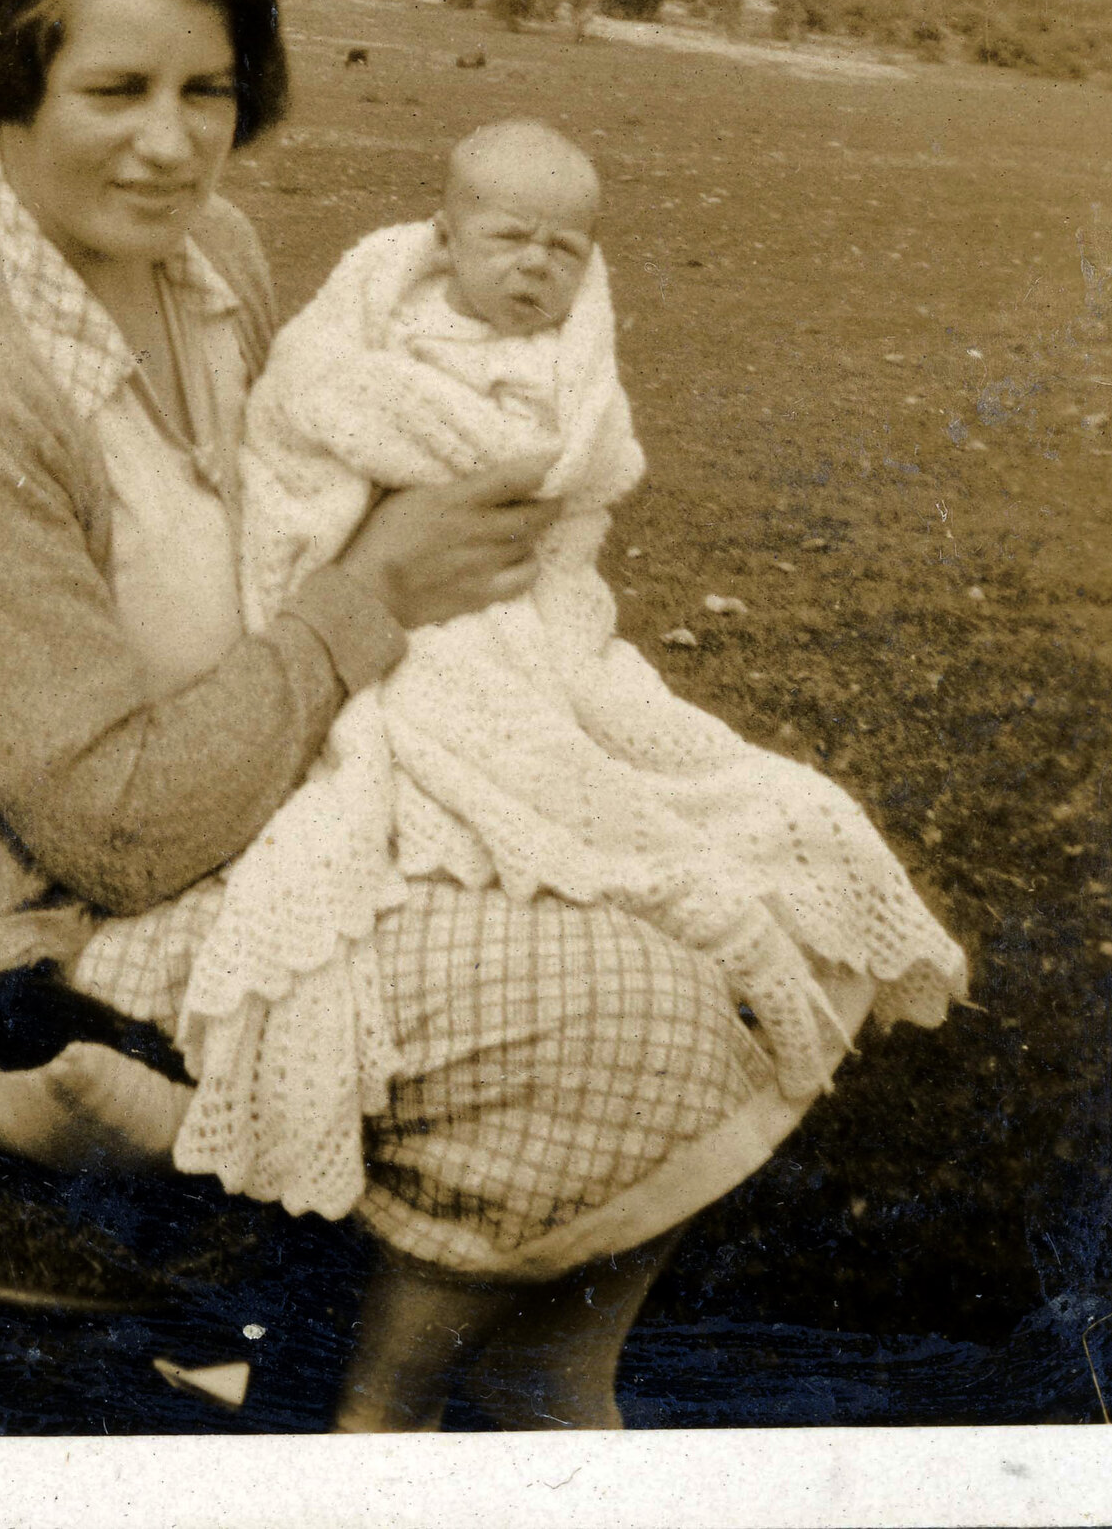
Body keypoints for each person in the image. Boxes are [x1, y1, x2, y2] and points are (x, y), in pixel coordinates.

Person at [0, 0, 871, 1429]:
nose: (172, 146)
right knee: (627, 1000)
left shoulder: (205, 260)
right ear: (7, 83)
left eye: (210, 88)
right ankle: (377, 1406)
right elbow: (114, 827)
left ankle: (512, 1358)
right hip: (23, 914)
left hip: (248, 778)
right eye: (116, 87)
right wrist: (376, 589)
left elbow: (307, 487)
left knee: (753, 870)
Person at [157, 117, 966, 1229]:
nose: (534, 268)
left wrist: (524, 482)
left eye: (564, 251)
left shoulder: (564, 361)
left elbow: (586, 463)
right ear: (441, 239)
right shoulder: (385, 323)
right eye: (508, 240)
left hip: (529, 614)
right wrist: (397, 492)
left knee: (678, 758)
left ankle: (740, 890)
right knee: (499, 753)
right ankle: (691, 900)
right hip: (398, 614)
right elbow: (305, 417)